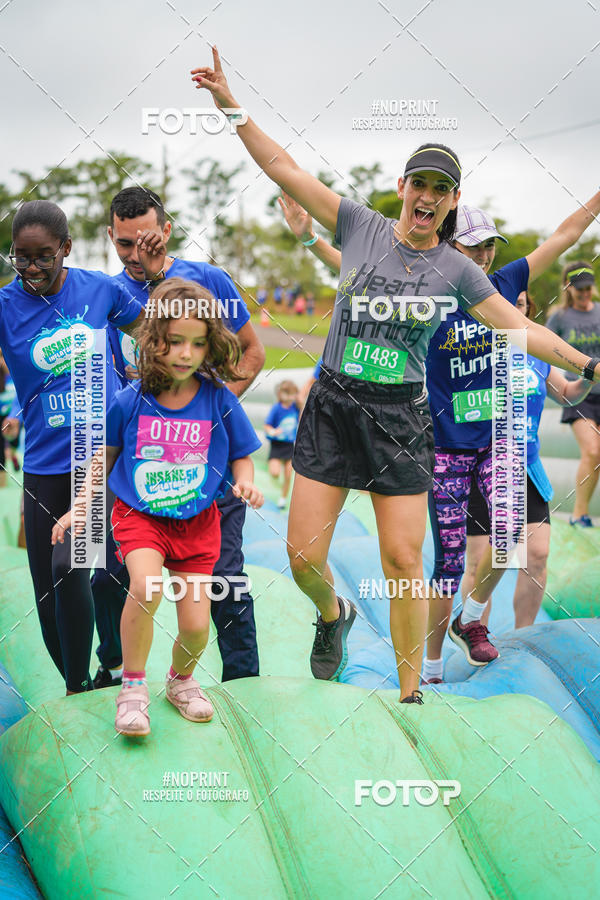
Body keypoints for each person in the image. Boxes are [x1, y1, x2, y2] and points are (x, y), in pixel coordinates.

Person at [192, 48, 600, 703]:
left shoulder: (460, 272)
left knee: (405, 561)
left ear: (452, 201)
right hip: (331, 403)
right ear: (404, 188)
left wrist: (587, 363)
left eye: (442, 189)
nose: (428, 197)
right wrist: (227, 102)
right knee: (302, 558)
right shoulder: (360, 226)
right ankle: (334, 615)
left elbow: (522, 331)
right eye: (420, 185)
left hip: (401, 416)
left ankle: (413, 696)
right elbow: (283, 167)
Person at [52, 279, 263, 735]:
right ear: (153, 341)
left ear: (212, 345)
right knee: (145, 586)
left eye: (198, 343)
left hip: (197, 523)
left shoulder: (218, 399)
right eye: (174, 342)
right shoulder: (130, 401)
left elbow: (243, 453)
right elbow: (102, 459)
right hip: (141, 517)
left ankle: (181, 681)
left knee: (196, 627)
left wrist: (245, 482)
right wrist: (80, 507)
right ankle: (132, 686)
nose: (186, 353)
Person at [91, 185, 265, 690]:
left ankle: (242, 685)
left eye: (145, 241)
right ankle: (118, 672)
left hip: (204, 471)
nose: (135, 254)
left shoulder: (205, 280)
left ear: (166, 231)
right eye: (124, 245)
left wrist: (211, 413)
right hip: (141, 471)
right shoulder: (110, 296)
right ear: (111, 238)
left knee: (225, 580)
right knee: (106, 575)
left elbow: (251, 353)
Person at [423, 199, 600, 679]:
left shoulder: (500, 288)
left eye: (488, 249)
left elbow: (562, 236)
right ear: (449, 244)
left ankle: (473, 614)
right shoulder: (429, 292)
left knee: (511, 540)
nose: (482, 257)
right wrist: (315, 239)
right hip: (446, 447)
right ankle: (432, 667)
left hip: (497, 445)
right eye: (473, 247)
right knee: (448, 564)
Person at [0, 200, 144, 694]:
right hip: (42, 466)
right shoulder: (5, 308)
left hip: (100, 456)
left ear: (66, 248)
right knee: (48, 602)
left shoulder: (100, 290)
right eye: (21, 257)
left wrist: (148, 386)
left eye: (43, 256)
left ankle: (92, 681)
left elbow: (155, 335)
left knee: (75, 564)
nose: (32, 268)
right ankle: (82, 681)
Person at [461, 290, 593, 631]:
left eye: (518, 305)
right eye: (503, 302)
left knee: (536, 555)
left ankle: (524, 639)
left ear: (527, 310)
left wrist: (589, 375)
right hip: (480, 466)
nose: (511, 310)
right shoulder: (470, 349)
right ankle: (475, 636)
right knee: (479, 562)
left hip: (525, 467)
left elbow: (565, 393)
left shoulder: (536, 353)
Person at [546, 262, 600, 527]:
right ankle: (579, 515)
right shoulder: (560, 317)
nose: (585, 293)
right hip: (579, 396)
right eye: (579, 290)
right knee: (592, 451)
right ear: (568, 288)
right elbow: (543, 347)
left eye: (588, 288)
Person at [264, 380, 300, 508]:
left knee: (289, 475)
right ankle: (278, 485)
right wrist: (273, 431)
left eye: (293, 394)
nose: (291, 397)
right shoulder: (276, 408)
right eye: (288, 394)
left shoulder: (296, 407)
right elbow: (267, 425)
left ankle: (283, 499)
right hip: (277, 445)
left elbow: (302, 405)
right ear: (281, 394)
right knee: (274, 473)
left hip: (289, 446)